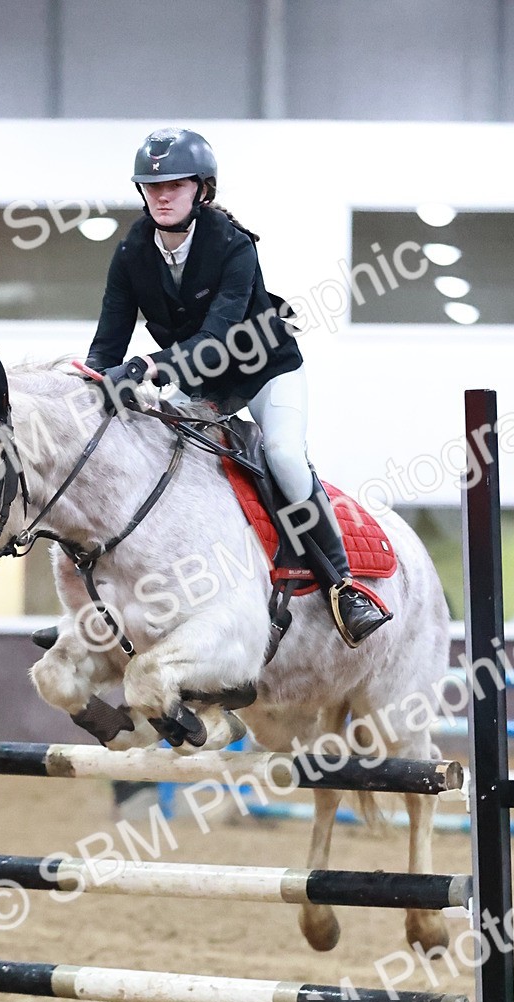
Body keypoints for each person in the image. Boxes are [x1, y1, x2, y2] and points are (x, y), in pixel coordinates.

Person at [84, 127, 386, 647]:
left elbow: (218, 341)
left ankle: (344, 584)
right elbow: (107, 344)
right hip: (194, 382)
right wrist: (89, 385)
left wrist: (150, 367)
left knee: (285, 456)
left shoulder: (233, 245)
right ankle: (104, 605)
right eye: (152, 186)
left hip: (263, 371)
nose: (161, 195)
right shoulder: (132, 252)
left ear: (203, 188)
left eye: (175, 185)